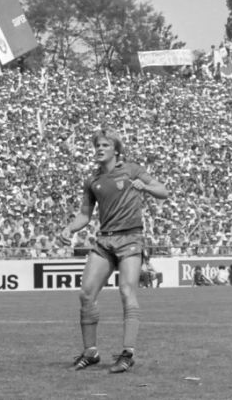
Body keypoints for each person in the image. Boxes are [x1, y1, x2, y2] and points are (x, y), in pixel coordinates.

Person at [58, 130, 169, 374]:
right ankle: (91, 352)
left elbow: (163, 191)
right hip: (105, 240)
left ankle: (128, 353)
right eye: (97, 144)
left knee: (126, 290)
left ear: (116, 150)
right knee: (86, 293)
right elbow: (85, 215)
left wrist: (147, 188)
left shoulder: (132, 170)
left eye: (104, 145)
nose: (99, 148)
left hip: (131, 237)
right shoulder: (92, 181)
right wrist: (69, 227)